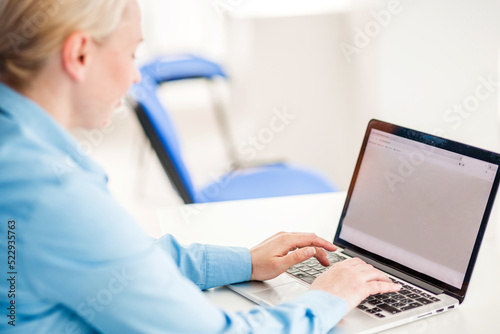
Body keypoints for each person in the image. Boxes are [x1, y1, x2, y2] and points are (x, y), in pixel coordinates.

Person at [0, 0, 401, 333]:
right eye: (131, 53)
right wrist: (327, 299)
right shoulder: (52, 196)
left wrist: (246, 261)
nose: (136, 74)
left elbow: (121, 260)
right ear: (80, 54)